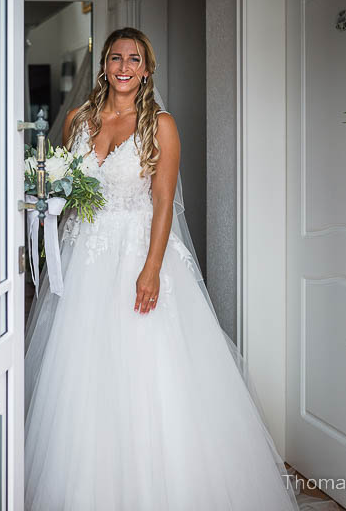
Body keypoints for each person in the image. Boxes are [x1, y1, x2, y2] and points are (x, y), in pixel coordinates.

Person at [26, 29, 296, 509]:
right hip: (85, 254)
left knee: (147, 370)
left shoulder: (160, 124)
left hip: (138, 252)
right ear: (105, 65)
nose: (124, 66)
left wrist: (151, 268)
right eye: (115, 58)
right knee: (81, 372)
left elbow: (165, 201)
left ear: (147, 69)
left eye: (134, 59)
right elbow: (66, 191)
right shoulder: (78, 120)